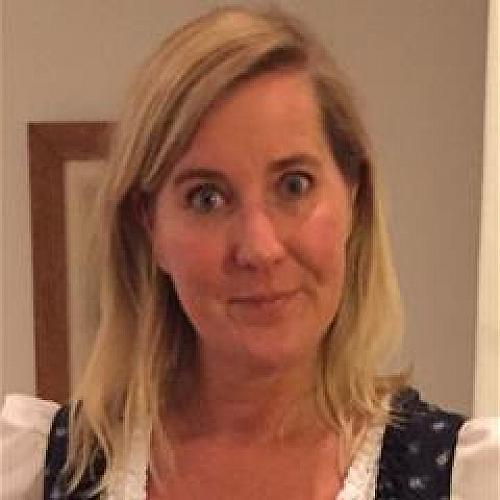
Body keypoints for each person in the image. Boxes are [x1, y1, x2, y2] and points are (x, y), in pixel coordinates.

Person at [1, 6, 498, 500]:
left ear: (353, 199)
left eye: (294, 185)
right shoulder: (50, 470)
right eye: (207, 198)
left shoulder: (459, 478)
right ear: (150, 225)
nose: (260, 248)